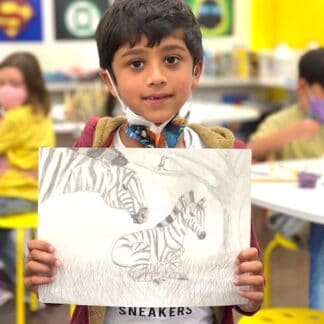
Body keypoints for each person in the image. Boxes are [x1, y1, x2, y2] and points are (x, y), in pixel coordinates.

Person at [24, 1, 264, 323]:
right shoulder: (93, 150)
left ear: (197, 70)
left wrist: (249, 294)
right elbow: (63, 284)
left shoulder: (222, 156)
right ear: (109, 80)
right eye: (136, 63)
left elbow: (246, 286)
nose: (156, 77)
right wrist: (45, 275)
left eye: (171, 59)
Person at [247, 47, 324, 310]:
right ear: (303, 87)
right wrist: (291, 134)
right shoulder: (285, 121)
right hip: (292, 215)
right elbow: (248, 152)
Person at [0, 52, 55, 304]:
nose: (6, 90)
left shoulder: (13, 118)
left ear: (31, 86)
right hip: (35, 195)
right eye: (1, 83)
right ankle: (22, 285)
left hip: (13, 196)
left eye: (14, 84)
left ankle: (17, 283)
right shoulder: (42, 114)